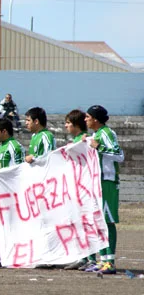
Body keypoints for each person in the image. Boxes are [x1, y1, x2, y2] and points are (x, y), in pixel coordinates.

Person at [82, 105, 124, 275]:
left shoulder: (106, 133)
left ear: (95, 119)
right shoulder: (96, 135)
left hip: (107, 182)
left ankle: (110, 262)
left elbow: (119, 155)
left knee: (107, 221)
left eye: (87, 117)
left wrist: (98, 147)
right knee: (99, 221)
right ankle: (103, 260)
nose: (85, 120)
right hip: (97, 183)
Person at [61, 110, 96, 270]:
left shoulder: (86, 140)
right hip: (74, 186)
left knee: (88, 221)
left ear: (76, 125)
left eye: (68, 123)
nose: (66, 126)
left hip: (85, 187)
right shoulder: (75, 141)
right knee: (76, 221)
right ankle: (82, 256)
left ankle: (92, 258)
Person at [0, 118, 25, 267]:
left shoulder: (14, 146)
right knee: (4, 225)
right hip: (2, 195)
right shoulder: (2, 147)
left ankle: (17, 256)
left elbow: (19, 170)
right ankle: (6, 255)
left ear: (4, 131)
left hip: (12, 194)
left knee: (14, 225)